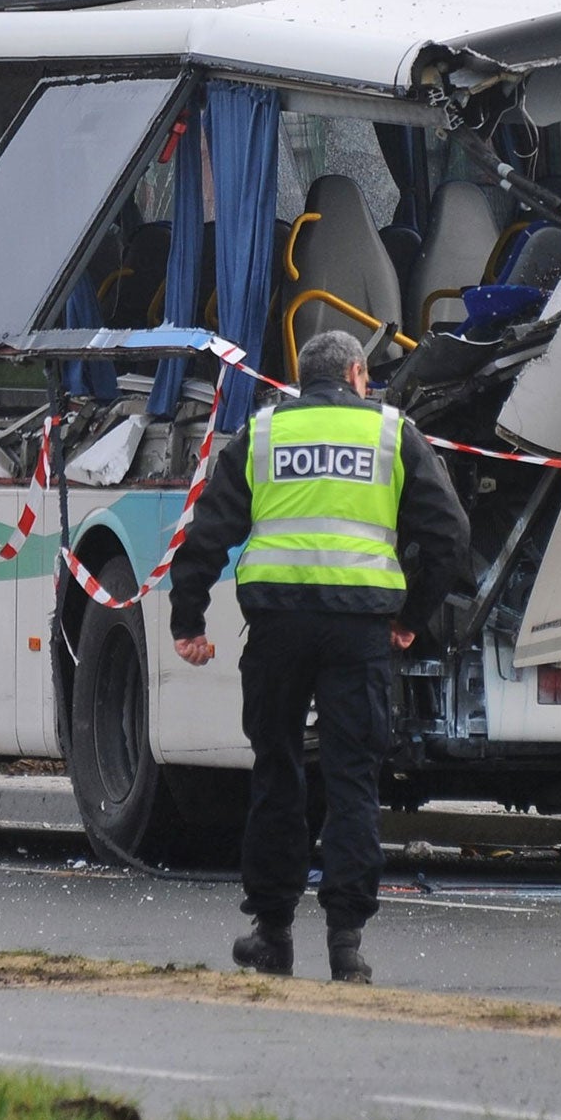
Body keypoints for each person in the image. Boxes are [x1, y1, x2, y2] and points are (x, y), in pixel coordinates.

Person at [170, 329, 470, 984]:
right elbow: (449, 535)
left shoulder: (265, 433)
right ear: (359, 373)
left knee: (277, 773)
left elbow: (208, 532)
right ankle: (346, 944)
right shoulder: (394, 434)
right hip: (359, 631)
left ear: (304, 379)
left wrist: (187, 618)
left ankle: (272, 935)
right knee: (352, 780)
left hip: (277, 628)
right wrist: (412, 619)